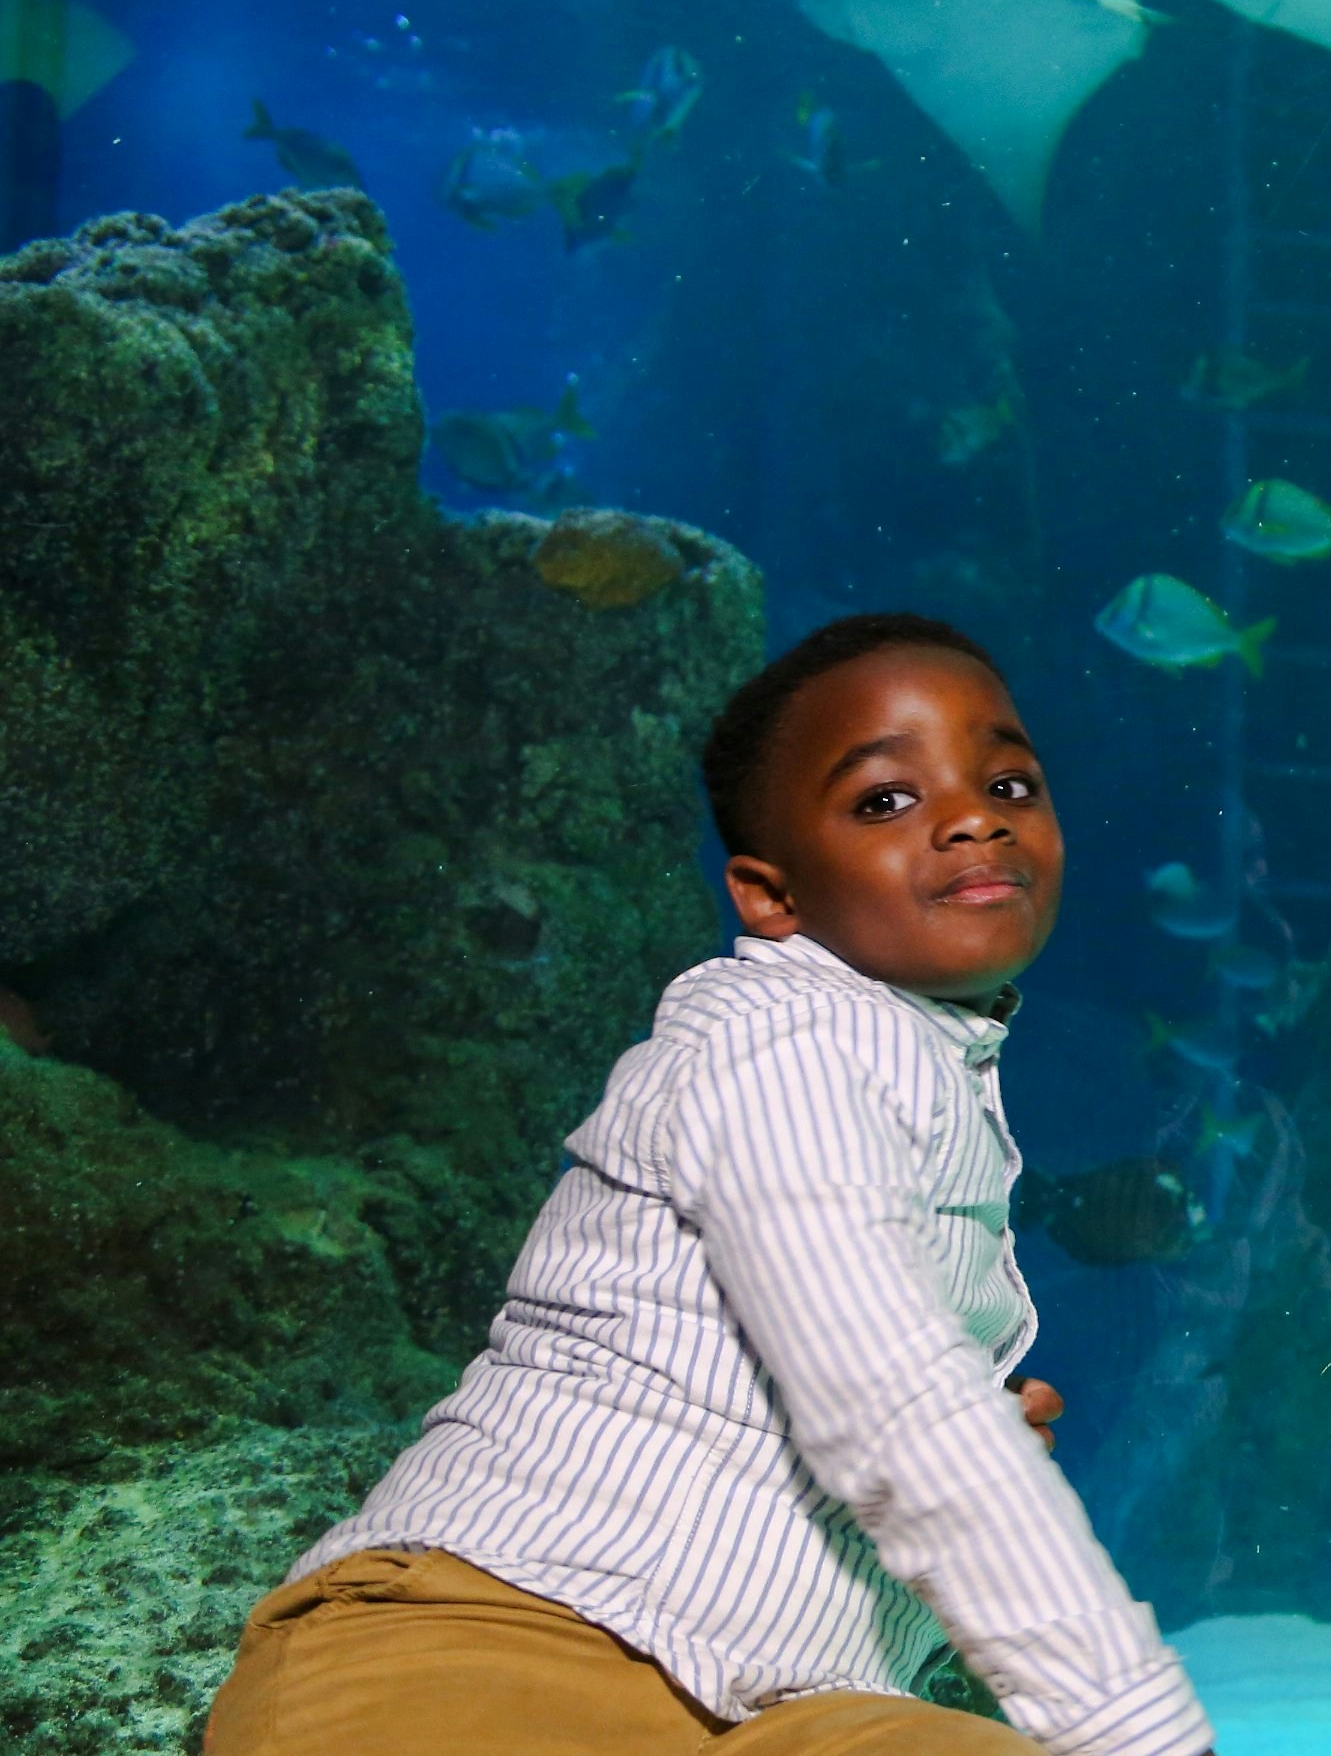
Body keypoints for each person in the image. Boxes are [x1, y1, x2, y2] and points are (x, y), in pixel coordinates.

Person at [207, 613, 1212, 1756]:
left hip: (794, 1709)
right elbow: (894, 1409)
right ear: (768, 896)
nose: (976, 815)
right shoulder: (782, 1042)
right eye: (885, 799)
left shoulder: (929, 1066)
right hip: (483, 1641)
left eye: (1011, 782)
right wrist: (1135, 1727)